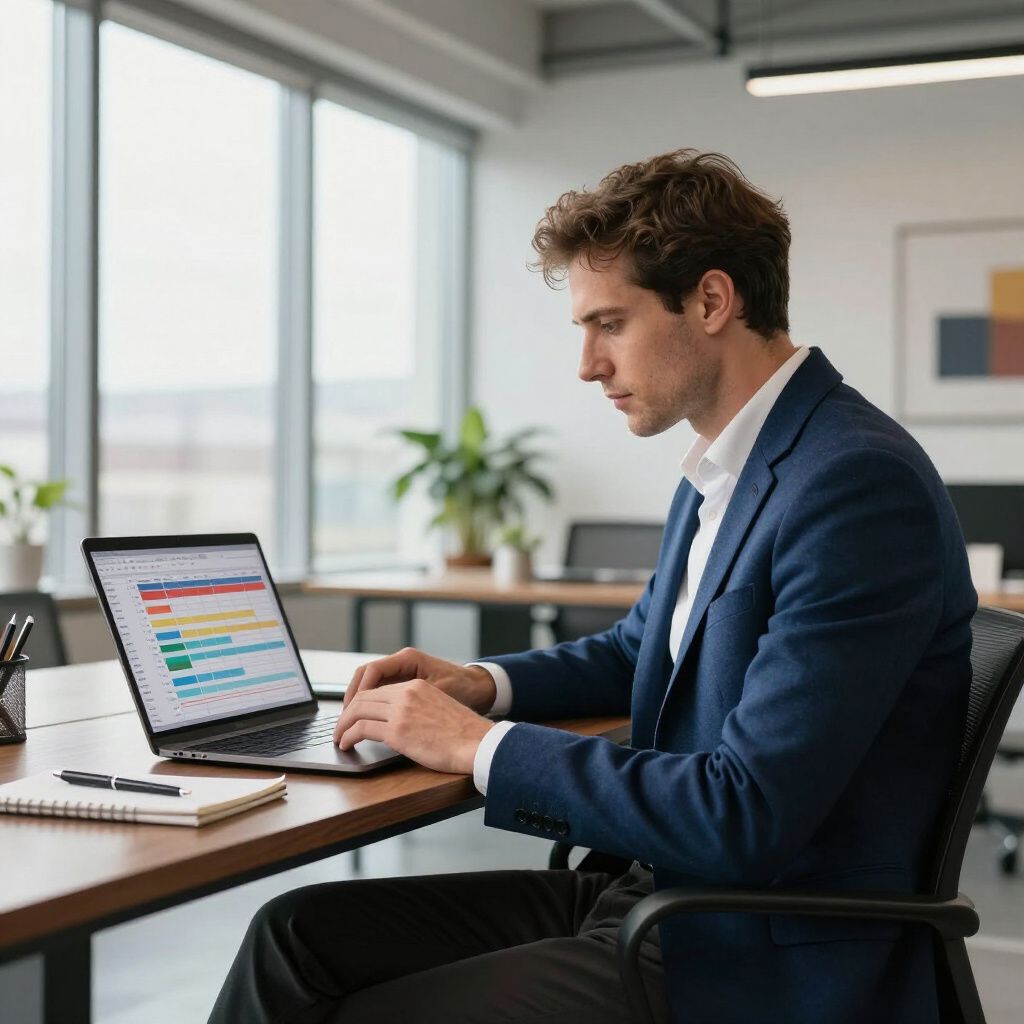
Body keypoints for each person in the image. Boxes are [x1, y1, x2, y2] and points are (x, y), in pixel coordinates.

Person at [209, 149, 976, 1024]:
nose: (586, 364)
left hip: (747, 944)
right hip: (653, 889)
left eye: (609, 323)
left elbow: (744, 812)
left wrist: (478, 747)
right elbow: (643, 647)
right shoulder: (725, 465)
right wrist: (482, 687)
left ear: (712, 301)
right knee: (293, 937)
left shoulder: (852, 485)